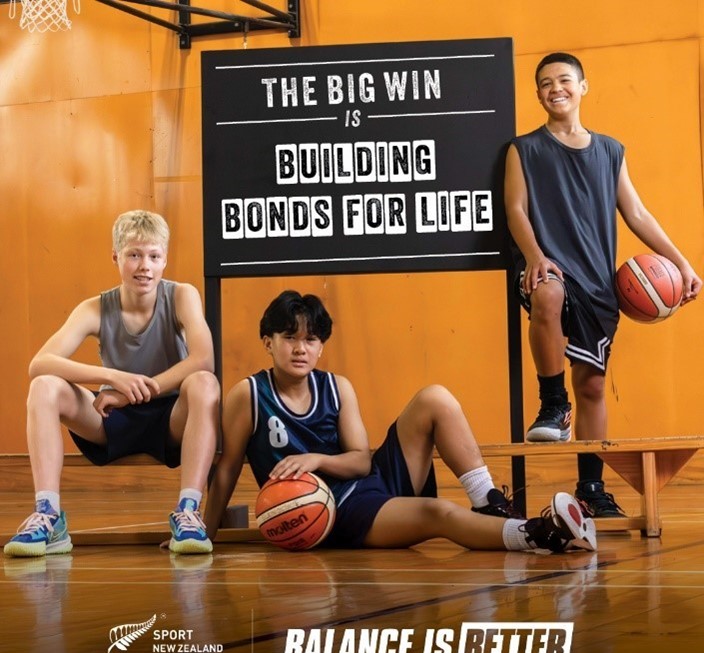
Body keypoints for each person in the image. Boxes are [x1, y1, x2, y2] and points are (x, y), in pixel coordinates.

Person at [204, 290, 597, 554]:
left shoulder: (336, 387)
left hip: (366, 480)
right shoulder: (249, 395)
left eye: (310, 340)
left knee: (435, 398)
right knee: (437, 512)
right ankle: (537, 535)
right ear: (267, 341)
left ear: (321, 347)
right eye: (289, 337)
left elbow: (360, 460)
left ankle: (489, 504)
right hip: (335, 513)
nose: (300, 348)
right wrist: (204, 535)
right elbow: (226, 468)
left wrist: (315, 460)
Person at [504, 52, 701, 517]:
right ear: (538, 93)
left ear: (583, 86)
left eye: (565, 80)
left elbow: (636, 213)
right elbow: (515, 208)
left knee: (593, 385)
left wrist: (682, 263)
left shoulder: (611, 150)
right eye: (546, 82)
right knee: (547, 292)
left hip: (596, 278)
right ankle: (553, 404)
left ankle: (591, 487)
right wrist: (535, 256)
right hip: (546, 263)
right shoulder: (523, 149)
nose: (557, 88)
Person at [4, 210, 220, 558]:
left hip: (171, 421)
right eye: (134, 255)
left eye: (153, 256)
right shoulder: (95, 308)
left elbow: (203, 358)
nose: (144, 266)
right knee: (44, 385)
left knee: (205, 383)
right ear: (116, 257)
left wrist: (136, 390)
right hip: (112, 419)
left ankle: (189, 511)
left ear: (165, 259)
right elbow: (39, 363)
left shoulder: (181, 296)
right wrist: (111, 378)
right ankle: (49, 514)